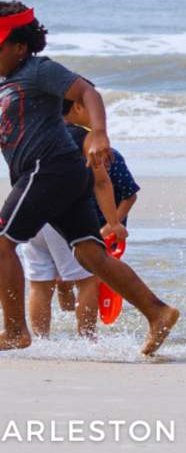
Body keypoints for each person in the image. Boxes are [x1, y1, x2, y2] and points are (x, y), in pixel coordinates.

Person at [0, 1, 179, 354]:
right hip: (58, 174)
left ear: (19, 46)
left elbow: (87, 92)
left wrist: (98, 133)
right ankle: (158, 312)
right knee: (89, 255)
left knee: (2, 243)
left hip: (49, 168)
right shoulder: (9, 83)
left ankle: (15, 331)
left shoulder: (38, 70)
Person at [22, 97, 140, 338]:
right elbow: (101, 182)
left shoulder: (34, 135)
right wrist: (114, 223)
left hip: (31, 215)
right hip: (64, 217)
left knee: (40, 284)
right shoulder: (83, 139)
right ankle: (88, 340)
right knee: (87, 280)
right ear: (76, 107)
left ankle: (41, 342)